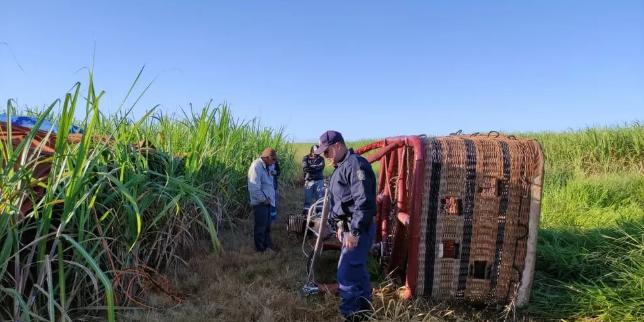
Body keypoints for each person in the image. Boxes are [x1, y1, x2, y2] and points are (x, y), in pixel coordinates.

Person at [314, 130, 376, 321]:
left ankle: (349, 315)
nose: (326, 157)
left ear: (338, 146)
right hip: (348, 227)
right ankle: (365, 313)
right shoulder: (341, 166)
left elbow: (363, 201)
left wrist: (354, 231)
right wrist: (340, 226)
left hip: (358, 228)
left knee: (346, 274)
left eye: (327, 152)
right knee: (358, 271)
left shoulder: (356, 165)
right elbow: (342, 201)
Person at [247, 147, 278, 252]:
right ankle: (260, 250)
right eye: (273, 159)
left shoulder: (268, 165)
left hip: (268, 201)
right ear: (267, 158)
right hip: (260, 203)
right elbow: (254, 188)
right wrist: (264, 199)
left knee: (267, 227)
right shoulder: (256, 166)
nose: (275, 162)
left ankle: (267, 246)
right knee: (260, 227)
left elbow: (269, 183)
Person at [302, 144, 325, 214]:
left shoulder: (321, 159)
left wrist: (311, 167)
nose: (316, 154)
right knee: (308, 199)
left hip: (319, 181)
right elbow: (305, 168)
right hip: (309, 181)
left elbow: (320, 168)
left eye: (317, 152)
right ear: (311, 151)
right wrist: (315, 167)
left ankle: (319, 213)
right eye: (314, 152)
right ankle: (306, 213)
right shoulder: (305, 158)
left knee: (320, 198)